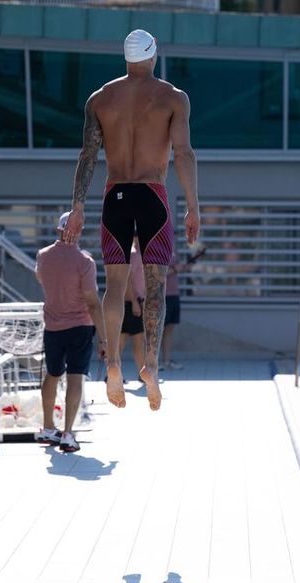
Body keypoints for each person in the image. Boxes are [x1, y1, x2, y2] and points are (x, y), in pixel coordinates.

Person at [63, 29, 200, 411]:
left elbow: (87, 156)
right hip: (153, 196)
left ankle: (111, 365)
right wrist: (193, 205)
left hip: (115, 197)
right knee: (154, 285)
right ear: (153, 55)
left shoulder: (100, 98)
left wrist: (77, 205)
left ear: (125, 57)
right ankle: (151, 365)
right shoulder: (173, 98)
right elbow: (184, 154)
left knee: (115, 284)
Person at [35, 211, 107, 452]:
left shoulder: (43, 256)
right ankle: (67, 433)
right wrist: (105, 338)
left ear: (58, 229)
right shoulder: (84, 262)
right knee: (75, 377)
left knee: (53, 374)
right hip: (80, 326)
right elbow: (93, 302)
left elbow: (43, 281)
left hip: (53, 325)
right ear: (79, 231)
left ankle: (47, 427)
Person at [120, 235, 146, 379]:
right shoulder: (133, 254)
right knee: (124, 341)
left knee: (138, 341)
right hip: (130, 303)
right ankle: (114, 374)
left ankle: (142, 374)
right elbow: (127, 279)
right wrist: (135, 302)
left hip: (137, 302)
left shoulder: (139, 254)